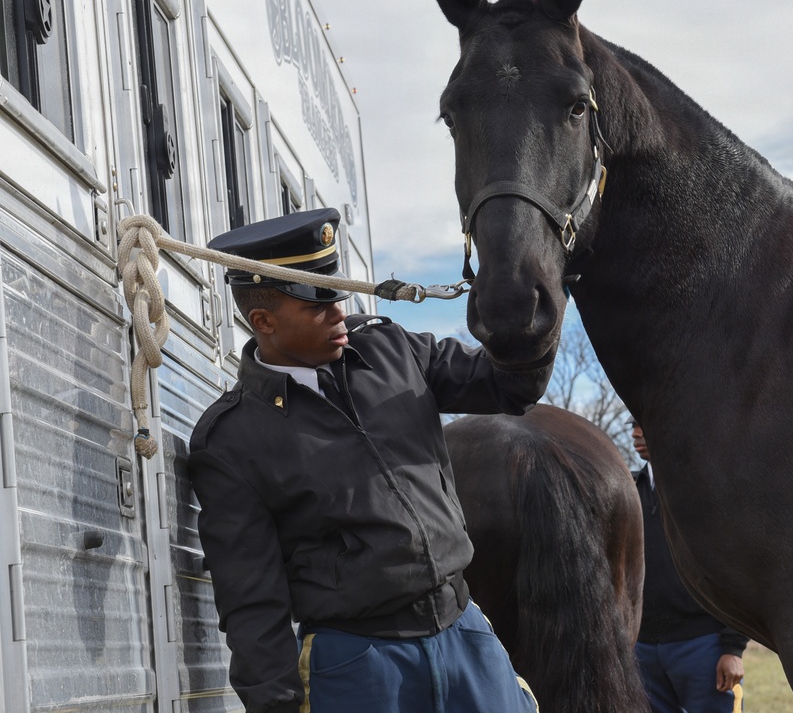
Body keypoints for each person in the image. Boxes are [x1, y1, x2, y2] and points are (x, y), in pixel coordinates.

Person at [188, 209, 553, 713]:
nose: (339, 312)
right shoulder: (230, 440)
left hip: (465, 632)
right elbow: (252, 601)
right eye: (317, 304)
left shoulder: (389, 347)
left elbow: (512, 385)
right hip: (358, 663)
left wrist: (535, 300)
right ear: (263, 321)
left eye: (337, 293)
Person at [631, 420, 748, 713]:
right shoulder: (626, 490)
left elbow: (735, 569)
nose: (635, 432)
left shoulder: (704, 489)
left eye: (643, 423)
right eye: (632, 424)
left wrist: (732, 649)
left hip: (703, 647)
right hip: (640, 650)